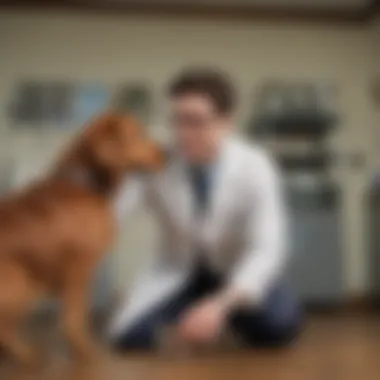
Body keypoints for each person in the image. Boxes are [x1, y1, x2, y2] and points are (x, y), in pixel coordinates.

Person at [108, 68, 302, 350]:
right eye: (177, 120)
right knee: (129, 336)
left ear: (227, 123)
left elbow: (268, 247)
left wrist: (221, 305)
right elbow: (112, 213)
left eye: (195, 122)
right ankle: (192, 320)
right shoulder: (155, 161)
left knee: (278, 327)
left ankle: (223, 318)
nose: (183, 133)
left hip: (234, 274)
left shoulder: (256, 165)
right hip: (178, 273)